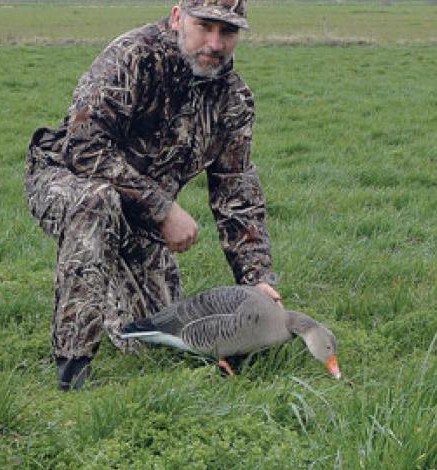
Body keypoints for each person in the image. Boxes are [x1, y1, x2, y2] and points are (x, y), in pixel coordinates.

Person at [24, 0, 280, 391]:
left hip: (138, 213)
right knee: (96, 203)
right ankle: (72, 367)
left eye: (227, 32)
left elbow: (237, 193)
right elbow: (84, 148)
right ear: (178, 17)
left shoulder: (233, 100)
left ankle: (108, 286)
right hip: (67, 180)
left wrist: (257, 281)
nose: (215, 43)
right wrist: (163, 209)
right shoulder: (134, 57)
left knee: (153, 342)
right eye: (204, 26)